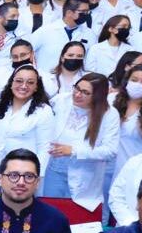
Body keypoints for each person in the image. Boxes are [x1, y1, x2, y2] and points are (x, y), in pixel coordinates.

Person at [44, 72, 119, 210]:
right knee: (50, 210)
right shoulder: (61, 100)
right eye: (77, 88)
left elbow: (110, 150)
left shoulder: (109, 114)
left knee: (77, 215)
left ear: (98, 96)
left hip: (84, 173)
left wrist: (74, 151)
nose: (77, 94)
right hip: (54, 168)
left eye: (85, 92)